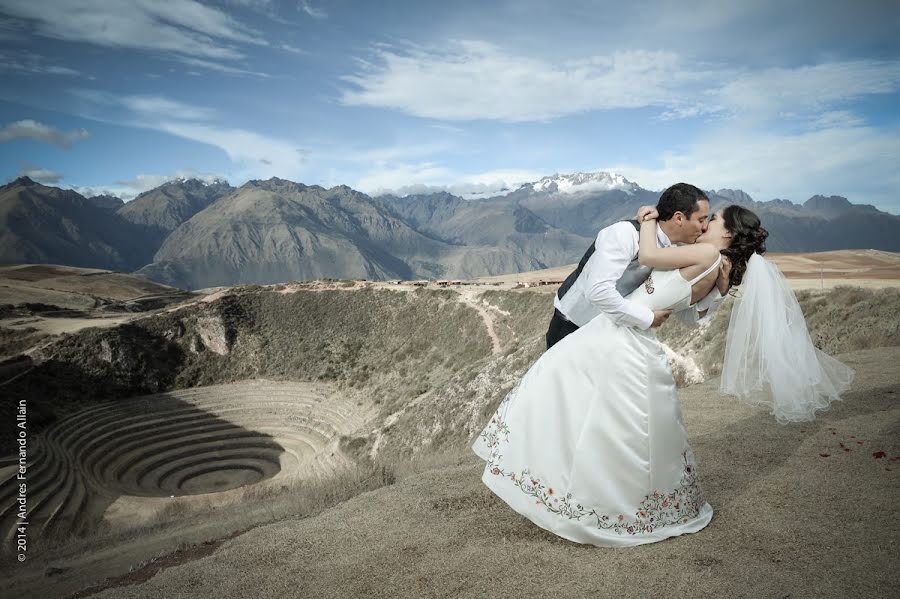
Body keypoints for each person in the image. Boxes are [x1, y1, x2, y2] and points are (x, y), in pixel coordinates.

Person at [472, 203, 854, 547]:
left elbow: (650, 253)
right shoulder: (718, 269)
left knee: (563, 398)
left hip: (620, 335)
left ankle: (577, 492)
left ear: (729, 232)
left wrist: (648, 219)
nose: (706, 224)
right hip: (636, 338)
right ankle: (622, 500)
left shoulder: (705, 252)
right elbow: (693, 315)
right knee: (619, 427)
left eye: (714, 219)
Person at [546, 183, 725, 351]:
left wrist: (718, 291)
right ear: (679, 218)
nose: (704, 227)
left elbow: (688, 316)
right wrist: (647, 318)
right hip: (571, 328)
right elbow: (598, 290)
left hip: (611, 337)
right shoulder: (625, 234)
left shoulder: (678, 251)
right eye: (701, 219)